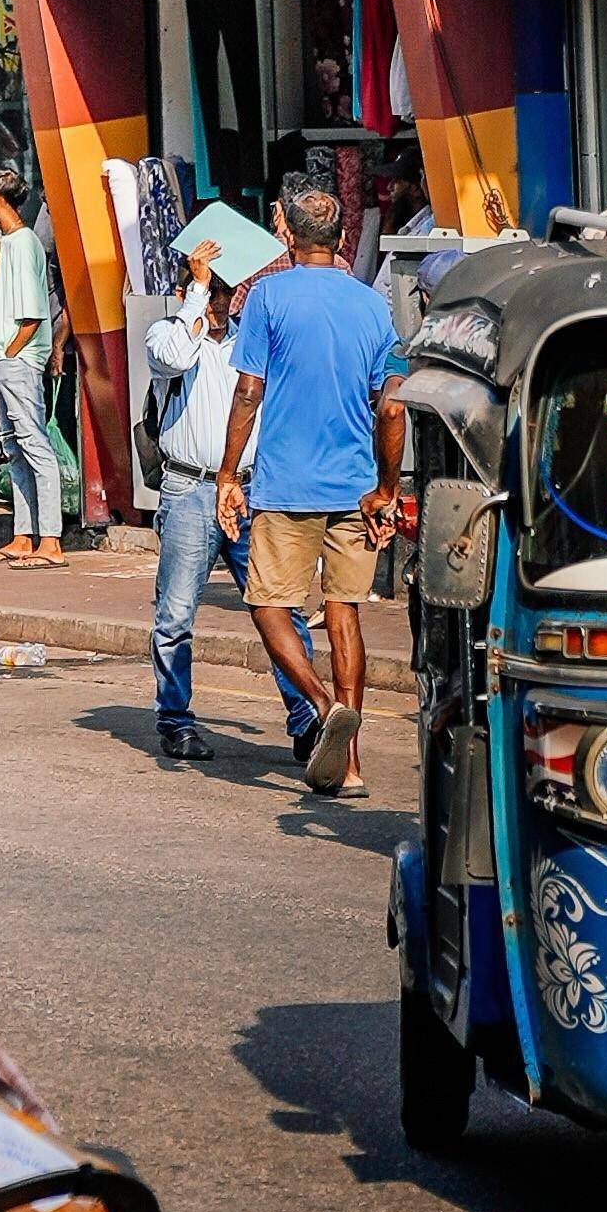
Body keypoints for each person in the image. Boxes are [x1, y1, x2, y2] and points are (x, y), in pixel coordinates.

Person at [217, 175, 406, 796]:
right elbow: (394, 408)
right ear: (344, 235)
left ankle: (324, 707)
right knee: (343, 613)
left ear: (286, 234)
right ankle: (350, 766)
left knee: (267, 603)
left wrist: (226, 473)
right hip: (354, 488)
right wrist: (387, 488)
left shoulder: (268, 298)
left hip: (287, 485)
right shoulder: (373, 304)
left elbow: (248, 392)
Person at [146, 235, 319, 773]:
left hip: (247, 489)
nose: (219, 302)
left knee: (279, 609)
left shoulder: (249, 342)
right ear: (188, 293)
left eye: (224, 293)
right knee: (175, 615)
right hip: (190, 490)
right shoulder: (168, 337)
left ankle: (307, 719)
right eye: (208, 292)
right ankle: (175, 720)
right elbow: (172, 356)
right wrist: (195, 292)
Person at [0, 168, 62, 564]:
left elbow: (31, 316)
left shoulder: (24, 244)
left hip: (19, 359)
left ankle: (52, 540)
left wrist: (9, 353)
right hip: (6, 360)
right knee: (15, 449)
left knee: (34, 447)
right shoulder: (10, 243)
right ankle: (24, 536)